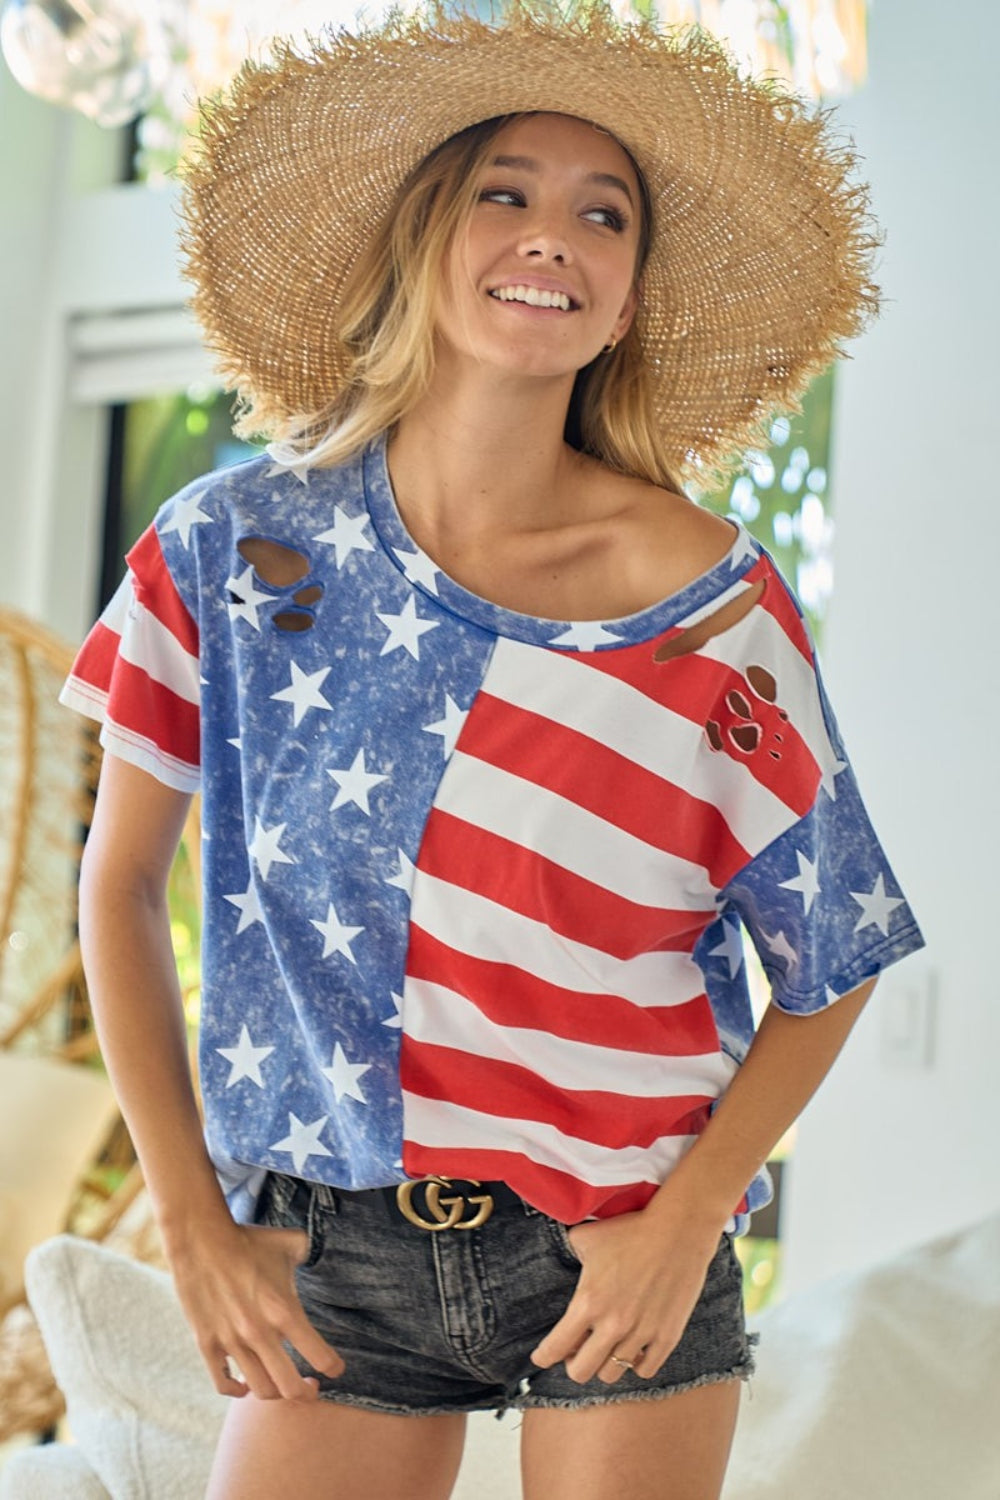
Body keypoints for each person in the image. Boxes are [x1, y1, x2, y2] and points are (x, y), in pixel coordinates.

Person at [62, 6, 925, 1497]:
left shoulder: (715, 604)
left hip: (616, 1242)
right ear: (425, 239)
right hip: (330, 1234)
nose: (555, 235)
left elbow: (836, 951)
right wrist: (191, 1217)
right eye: (505, 192)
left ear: (626, 298)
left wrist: (687, 1222)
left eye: (606, 214)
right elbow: (122, 884)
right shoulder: (231, 545)